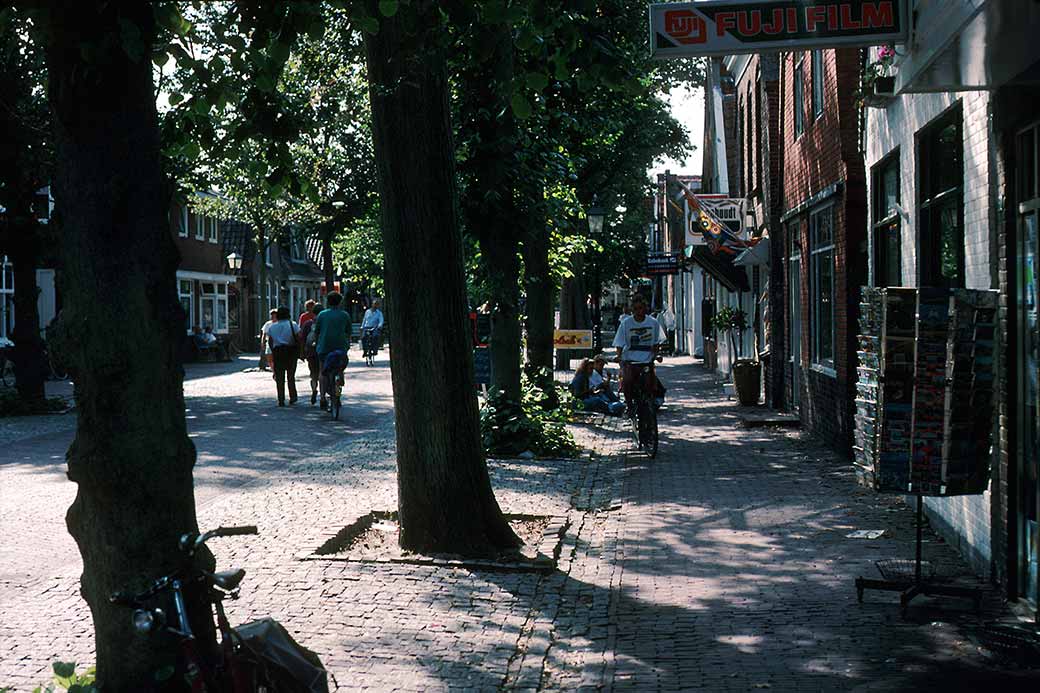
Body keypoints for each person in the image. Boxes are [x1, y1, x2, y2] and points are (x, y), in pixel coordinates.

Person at [612, 294, 667, 414]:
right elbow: (620, 342)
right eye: (635, 309)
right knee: (627, 381)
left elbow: (657, 341)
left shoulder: (653, 323)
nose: (638, 311)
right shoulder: (626, 323)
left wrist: (656, 354)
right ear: (632, 309)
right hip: (630, 360)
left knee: (650, 382)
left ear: (645, 308)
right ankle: (630, 405)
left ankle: (650, 400)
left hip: (646, 360)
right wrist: (619, 356)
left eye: (640, 308)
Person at [312, 291, 352, 409]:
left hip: (324, 347)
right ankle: (338, 391)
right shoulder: (345, 315)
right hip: (340, 347)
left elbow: (317, 332)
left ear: (328, 302)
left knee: (322, 371)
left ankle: (323, 397)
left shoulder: (322, 315)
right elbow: (348, 332)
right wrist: (346, 344)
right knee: (340, 369)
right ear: (340, 302)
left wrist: (316, 343)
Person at [266, 306, 300, 406]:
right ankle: (293, 397)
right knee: (291, 375)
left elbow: (270, 341)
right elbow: (298, 337)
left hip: (278, 352)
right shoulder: (292, 324)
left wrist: (274, 351)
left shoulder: (272, 327)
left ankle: (281, 399)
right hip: (290, 351)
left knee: (279, 377)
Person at [299, 302, 322, 405]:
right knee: (323, 373)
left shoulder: (308, 324)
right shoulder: (326, 323)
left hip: (311, 352)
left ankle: (314, 389)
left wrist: (302, 353)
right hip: (323, 351)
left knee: (313, 374)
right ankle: (324, 395)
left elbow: (302, 339)